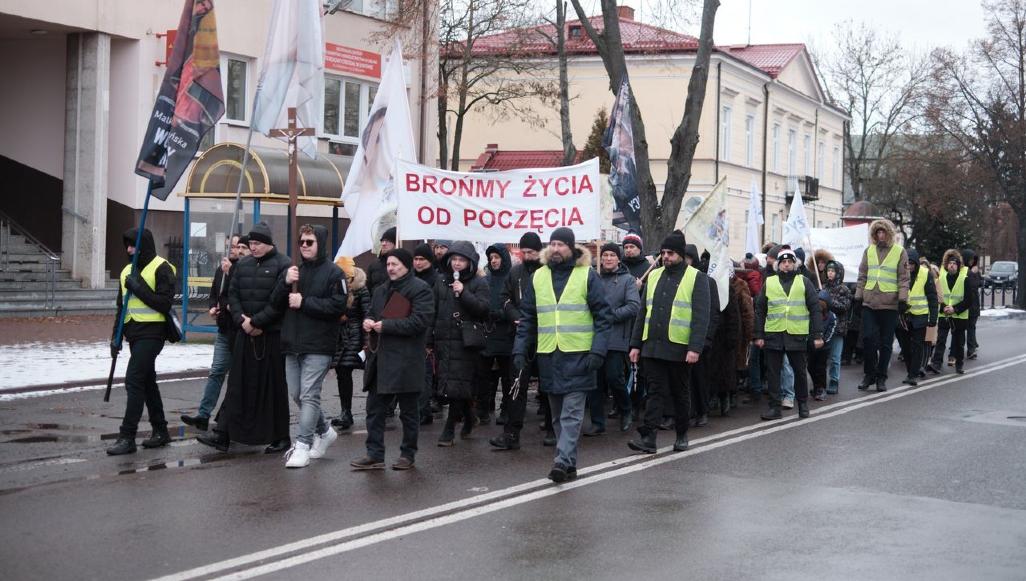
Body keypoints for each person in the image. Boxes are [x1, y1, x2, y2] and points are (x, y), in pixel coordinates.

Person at [513, 227, 613, 482]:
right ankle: (570, 464)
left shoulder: (587, 275)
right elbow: (527, 318)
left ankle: (561, 460)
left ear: (571, 247)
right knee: (557, 415)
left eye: (561, 244)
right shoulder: (538, 276)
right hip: (549, 355)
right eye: (553, 244)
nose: (556, 249)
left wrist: (598, 351)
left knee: (571, 414)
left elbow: (604, 317)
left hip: (580, 355)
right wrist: (519, 349)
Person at [197, 222, 292, 454]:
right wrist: (243, 321)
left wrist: (257, 322)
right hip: (244, 332)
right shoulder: (244, 265)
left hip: (270, 336)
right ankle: (223, 433)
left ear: (268, 243)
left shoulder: (284, 264)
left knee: (274, 388)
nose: (253, 247)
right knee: (236, 385)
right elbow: (233, 295)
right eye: (251, 243)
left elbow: (279, 302)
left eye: (257, 243)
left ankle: (281, 436)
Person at [627, 231, 710, 454]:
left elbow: (701, 317)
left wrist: (695, 348)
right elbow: (643, 312)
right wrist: (636, 344)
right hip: (653, 345)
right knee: (654, 392)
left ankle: (682, 434)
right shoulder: (654, 275)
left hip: (679, 347)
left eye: (670, 253)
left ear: (680, 254)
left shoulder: (696, 277)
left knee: (680, 392)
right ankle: (649, 437)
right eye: (663, 253)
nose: (665, 257)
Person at [351, 249, 435, 470]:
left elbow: (420, 321)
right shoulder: (381, 290)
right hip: (381, 359)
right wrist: (368, 321)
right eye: (388, 264)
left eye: (395, 264)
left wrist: (387, 326)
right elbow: (372, 312)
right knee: (374, 409)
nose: (390, 268)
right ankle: (374, 454)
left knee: (408, 412)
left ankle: (408, 454)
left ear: (406, 265)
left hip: (406, 360)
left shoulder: (420, 289)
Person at [272, 225, 347, 468]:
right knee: (297, 394)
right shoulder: (294, 271)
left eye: (309, 242)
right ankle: (324, 431)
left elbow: (338, 306)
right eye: (301, 242)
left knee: (309, 394)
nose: (304, 246)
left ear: (320, 243)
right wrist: (284, 282)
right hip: (293, 343)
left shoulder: (334, 273)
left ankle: (303, 445)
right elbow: (275, 303)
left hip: (318, 343)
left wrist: (305, 302)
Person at [106, 228, 177, 455]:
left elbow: (164, 303)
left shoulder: (162, 267)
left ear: (144, 246)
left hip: (153, 333)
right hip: (133, 334)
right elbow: (121, 307)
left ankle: (127, 437)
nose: (129, 250)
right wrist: (116, 337)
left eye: (133, 245)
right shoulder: (126, 270)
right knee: (146, 381)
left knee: (134, 379)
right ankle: (161, 430)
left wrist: (138, 287)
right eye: (126, 245)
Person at [181, 234, 249, 431]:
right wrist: (213, 307)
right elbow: (215, 294)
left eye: (238, 246)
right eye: (231, 246)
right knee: (217, 371)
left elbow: (238, 295)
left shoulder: (243, 269)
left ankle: (228, 418)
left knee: (237, 378)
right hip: (224, 329)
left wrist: (230, 274)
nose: (234, 250)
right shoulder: (222, 268)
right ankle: (203, 414)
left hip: (239, 331)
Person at [490, 232, 547, 450]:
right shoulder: (515, 272)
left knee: (548, 385)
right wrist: (515, 316)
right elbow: (504, 298)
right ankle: (511, 433)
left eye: (531, 252)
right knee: (517, 385)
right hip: (521, 336)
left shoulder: (549, 271)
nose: (527, 256)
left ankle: (552, 428)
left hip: (545, 336)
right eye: (523, 252)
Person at [432, 241, 490, 446]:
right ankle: (470, 417)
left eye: (461, 260)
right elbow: (434, 310)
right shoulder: (441, 281)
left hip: (466, 342)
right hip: (443, 339)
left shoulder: (478, 282)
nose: (457, 263)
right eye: (454, 259)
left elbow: (483, 309)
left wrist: (464, 292)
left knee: (457, 385)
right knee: (454, 384)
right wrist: (430, 339)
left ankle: (449, 428)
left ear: (470, 263)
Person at [754, 249, 824, 420]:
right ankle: (775, 408)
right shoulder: (769, 282)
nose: (786, 264)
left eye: (790, 262)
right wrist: (759, 335)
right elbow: (760, 310)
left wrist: (817, 334)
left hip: (796, 335)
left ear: (795, 264)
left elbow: (815, 309)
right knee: (773, 373)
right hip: (774, 334)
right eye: (783, 262)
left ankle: (803, 405)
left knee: (799, 372)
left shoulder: (804, 281)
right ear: (778, 265)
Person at [586, 242, 640, 435]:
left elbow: (633, 306)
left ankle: (626, 409)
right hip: (594, 337)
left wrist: (610, 316)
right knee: (595, 382)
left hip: (616, 338)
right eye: (605, 255)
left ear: (618, 259)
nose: (608, 258)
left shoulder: (627, 280)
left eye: (612, 255)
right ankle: (597, 423)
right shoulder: (593, 278)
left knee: (614, 377)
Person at [855, 220, 910, 392]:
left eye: (883, 232)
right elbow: (862, 275)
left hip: (889, 304)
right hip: (870, 302)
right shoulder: (869, 250)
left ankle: (881, 377)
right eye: (877, 233)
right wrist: (858, 297)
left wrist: (903, 300)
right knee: (868, 340)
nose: (880, 235)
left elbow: (903, 278)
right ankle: (869, 374)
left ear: (889, 233)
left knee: (886, 344)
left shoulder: (899, 252)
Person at [331, 258, 370, 431]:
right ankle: (345, 411)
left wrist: (367, 342)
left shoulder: (361, 289)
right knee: (342, 372)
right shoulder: (334, 288)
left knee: (349, 369)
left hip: (355, 335)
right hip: (340, 336)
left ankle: (377, 407)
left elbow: (367, 314)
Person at [684, 244, 719, 428]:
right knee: (684, 380)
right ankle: (687, 412)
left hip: (700, 340)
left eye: (687, 258)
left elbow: (713, 313)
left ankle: (702, 411)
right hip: (681, 338)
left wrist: (706, 338)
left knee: (700, 378)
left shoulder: (706, 281)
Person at [482, 243, 515, 426]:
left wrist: (503, 314)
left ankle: (506, 409)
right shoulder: (486, 280)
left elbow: (515, 304)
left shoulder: (511, 278)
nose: (493, 261)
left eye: (497, 257)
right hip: (488, 333)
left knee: (507, 375)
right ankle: (485, 407)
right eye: (491, 258)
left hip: (506, 334)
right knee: (485, 375)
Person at [894, 249, 938, 386]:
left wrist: (933, 318)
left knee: (917, 347)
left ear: (916, 264)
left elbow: (932, 297)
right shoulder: (900, 273)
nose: (909, 266)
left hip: (920, 316)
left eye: (912, 264)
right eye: (907, 264)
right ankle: (910, 371)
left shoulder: (925, 274)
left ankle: (912, 375)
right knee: (905, 347)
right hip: (904, 316)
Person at [929, 250, 972, 375]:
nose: (952, 265)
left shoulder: (964, 278)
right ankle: (936, 363)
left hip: (959, 316)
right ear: (946, 265)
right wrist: (944, 307)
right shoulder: (941, 278)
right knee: (941, 339)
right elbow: (938, 296)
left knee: (959, 342)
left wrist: (955, 309)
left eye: (954, 264)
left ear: (958, 266)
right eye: (950, 263)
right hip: (944, 314)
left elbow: (969, 300)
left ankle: (959, 364)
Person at [413, 243, 440, 423]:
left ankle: (423, 411)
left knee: (424, 375)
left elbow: (435, 311)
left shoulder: (436, 280)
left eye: (422, 259)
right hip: (410, 331)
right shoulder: (409, 278)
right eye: (415, 259)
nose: (418, 262)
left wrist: (430, 338)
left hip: (428, 334)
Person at [822, 260, 851, 394]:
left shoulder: (844, 289)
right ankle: (820, 383)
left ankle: (834, 381)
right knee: (822, 358)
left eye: (833, 271)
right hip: (825, 327)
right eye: (828, 270)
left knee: (835, 358)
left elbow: (844, 307)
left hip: (838, 328)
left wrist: (828, 301)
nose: (830, 273)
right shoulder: (824, 287)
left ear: (838, 273)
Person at [960, 248, 983, 360]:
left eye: (973, 260)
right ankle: (958, 347)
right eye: (970, 259)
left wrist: (976, 275)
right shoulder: (962, 271)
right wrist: (972, 274)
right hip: (963, 303)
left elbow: (980, 282)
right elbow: (968, 284)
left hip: (974, 303)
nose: (972, 262)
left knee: (971, 327)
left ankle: (971, 349)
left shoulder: (975, 270)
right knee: (960, 328)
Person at [366, 227, 396, 295]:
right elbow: (367, 288)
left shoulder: (402, 264)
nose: (383, 244)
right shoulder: (374, 265)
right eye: (382, 241)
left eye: (387, 241)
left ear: (395, 243)